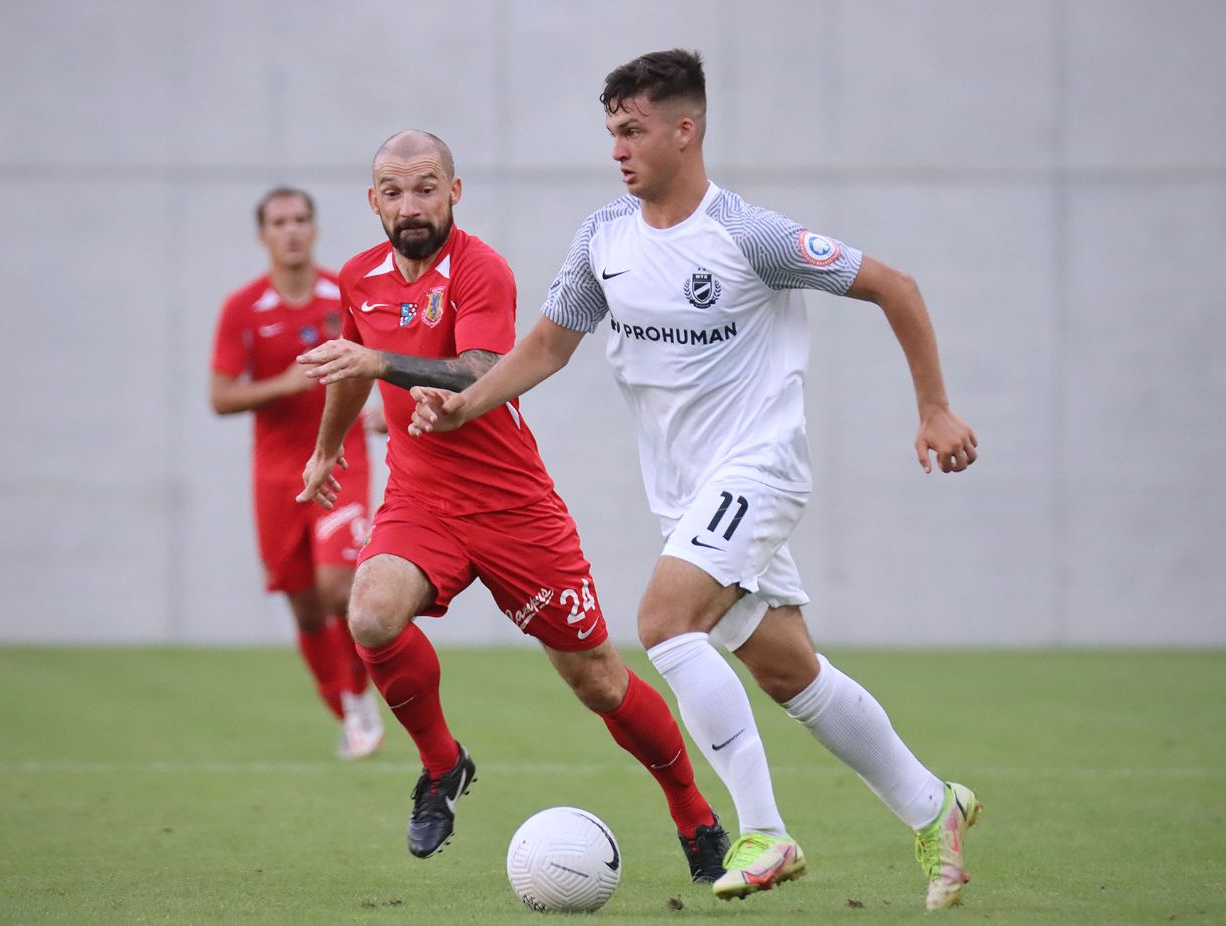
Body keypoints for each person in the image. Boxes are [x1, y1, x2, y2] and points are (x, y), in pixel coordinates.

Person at [409, 50, 983, 911]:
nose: (617, 149)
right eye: (611, 132)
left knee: (663, 622)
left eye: (633, 130)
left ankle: (764, 832)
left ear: (686, 130)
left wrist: (934, 408)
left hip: (761, 469)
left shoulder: (750, 236)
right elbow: (548, 346)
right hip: (685, 496)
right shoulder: (605, 238)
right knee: (788, 671)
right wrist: (465, 405)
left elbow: (894, 286)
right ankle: (933, 804)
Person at [293, 130, 728, 882]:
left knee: (597, 679)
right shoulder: (360, 277)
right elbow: (353, 370)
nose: (410, 204)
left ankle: (694, 815)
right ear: (373, 202)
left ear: (454, 192)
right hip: (421, 500)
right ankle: (443, 766)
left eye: (426, 187)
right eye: (393, 192)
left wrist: (381, 361)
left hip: (512, 509)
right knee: (369, 616)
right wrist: (328, 448)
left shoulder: (480, 268)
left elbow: (478, 370)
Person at [209, 187, 385, 760]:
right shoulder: (243, 308)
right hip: (276, 476)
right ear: (263, 235)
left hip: (342, 461)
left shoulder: (345, 294)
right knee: (306, 605)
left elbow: (383, 359)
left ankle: (360, 696)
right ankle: (344, 710)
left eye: (301, 219)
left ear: (315, 229)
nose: (292, 230)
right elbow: (220, 397)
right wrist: (282, 385)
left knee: (340, 588)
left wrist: (392, 409)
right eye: (280, 222)